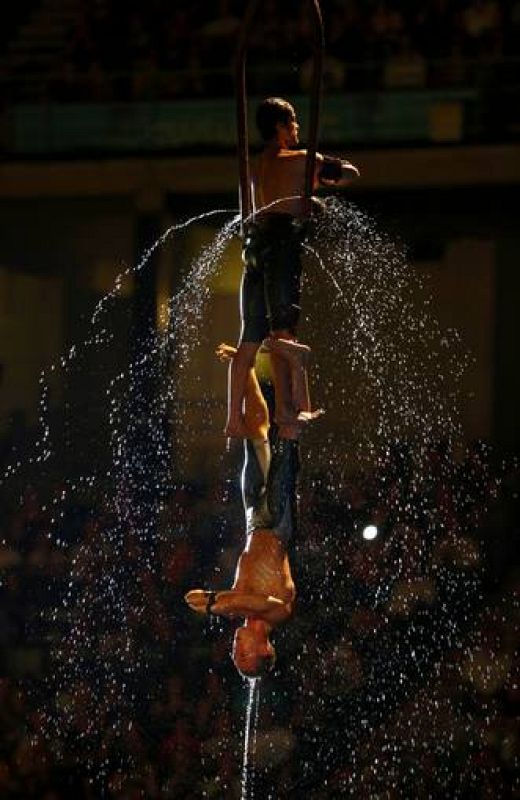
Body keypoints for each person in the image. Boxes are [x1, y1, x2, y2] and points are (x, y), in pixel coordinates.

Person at [224, 96, 360, 439]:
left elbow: (259, 205)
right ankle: (292, 407)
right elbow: (350, 174)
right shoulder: (300, 159)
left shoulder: (254, 166)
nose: (297, 128)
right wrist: (321, 176)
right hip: (282, 244)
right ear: (280, 127)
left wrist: (305, 196)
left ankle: (233, 419)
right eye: (293, 121)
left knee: (248, 342)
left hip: (254, 245)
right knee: (284, 332)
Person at [186, 344, 298, 677]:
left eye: (235, 656)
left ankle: (245, 366)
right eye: (243, 655)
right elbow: (251, 602)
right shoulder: (279, 614)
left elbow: (204, 599)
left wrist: (216, 603)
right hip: (276, 522)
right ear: (266, 648)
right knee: (287, 435)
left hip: (253, 521)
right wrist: (215, 603)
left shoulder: (235, 606)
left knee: (255, 434)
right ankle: (292, 364)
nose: (234, 650)